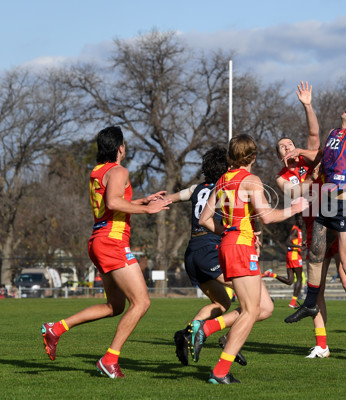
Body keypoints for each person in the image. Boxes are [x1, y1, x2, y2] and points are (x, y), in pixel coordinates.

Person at [41, 126, 172, 378]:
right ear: (120, 147)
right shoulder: (119, 170)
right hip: (112, 241)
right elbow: (113, 203)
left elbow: (110, 205)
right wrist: (148, 210)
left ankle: (56, 328)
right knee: (142, 302)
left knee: (115, 306)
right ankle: (109, 360)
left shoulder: (97, 171)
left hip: (99, 239)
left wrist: (142, 200)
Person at [285, 37, 346, 359]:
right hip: (324, 201)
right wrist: (299, 152)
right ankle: (310, 303)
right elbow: (318, 156)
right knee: (315, 255)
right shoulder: (336, 136)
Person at [198, 134, 307, 384]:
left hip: (228, 245)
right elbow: (267, 216)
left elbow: (204, 220)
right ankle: (220, 370)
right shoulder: (251, 180)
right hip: (240, 247)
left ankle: (208, 332)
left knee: (263, 307)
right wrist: (294, 208)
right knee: (250, 310)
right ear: (253, 157)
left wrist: (228, 230)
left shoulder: (222, 181)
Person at [276, 81, 346, 358]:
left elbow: (313, 132)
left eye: (289, 144)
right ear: (280, 156)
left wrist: (307, 105)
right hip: (314, 226)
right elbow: (293, 192)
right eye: (282, 147)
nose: (287, 148)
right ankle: (322, 344)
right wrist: (310, 181)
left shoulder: (310, 158)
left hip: (334, 215)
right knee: (316, 287)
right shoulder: (283, 177)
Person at [166, 146, 246, 367]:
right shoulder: (225, 187)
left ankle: (185, 334)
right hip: (210, 251)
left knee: (222, 302)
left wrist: (149, 201)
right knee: (251, 300)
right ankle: (231, 341)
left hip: (192, 253)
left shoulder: (196, 188)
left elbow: (171, 198)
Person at [262, 214, 306, 309]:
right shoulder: (295, 230)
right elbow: (287, 242)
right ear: (296, 220)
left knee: (290, 281)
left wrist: (301, 244)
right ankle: (293, 303)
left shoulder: (298, 230)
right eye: (300, 220)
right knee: (299, 279)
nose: (301, 221)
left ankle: (272, 275)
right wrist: (299, 247)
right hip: (294, 257)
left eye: (302, 220)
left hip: (290, 256)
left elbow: (293, 242)